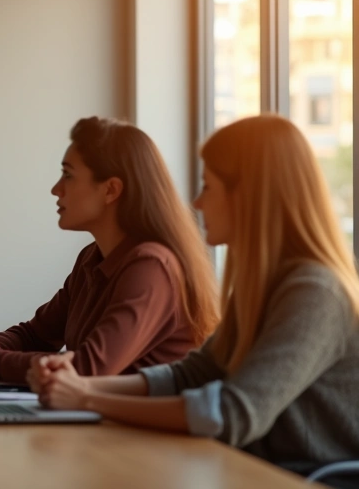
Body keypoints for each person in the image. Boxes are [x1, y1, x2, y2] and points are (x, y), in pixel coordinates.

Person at [30, 115, 359, 481]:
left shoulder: (314, 292)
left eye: (208, 186)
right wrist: (84, 385)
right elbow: (193, 375)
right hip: (249, 472)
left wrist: (87, 399)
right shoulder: (266, 285)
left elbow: (228, 414)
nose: (198, 203)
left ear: (247, 196)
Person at [0, 117, 219, 383]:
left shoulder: (151, 267)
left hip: (142, 434)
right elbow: (35, 336)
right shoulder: (92, 256)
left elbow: (88, 369)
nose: (55, 189)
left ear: (110, 190)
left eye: (68, 175)